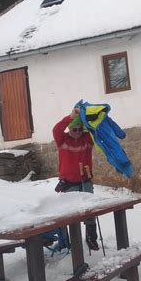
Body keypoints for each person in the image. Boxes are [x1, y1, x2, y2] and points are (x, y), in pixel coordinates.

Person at [53, 107, 99, 250]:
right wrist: (70, 117)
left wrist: (89, 120)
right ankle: (65, 241)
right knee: (68, 213)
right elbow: (56, 129)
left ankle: (91, 238)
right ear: (70, 129)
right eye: (75, 129)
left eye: (81, 129)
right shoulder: (62, 140)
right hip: (68, 182)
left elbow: (95, 131)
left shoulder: (86, 139)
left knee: (90, 211)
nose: (78, 132)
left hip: (85, 180)